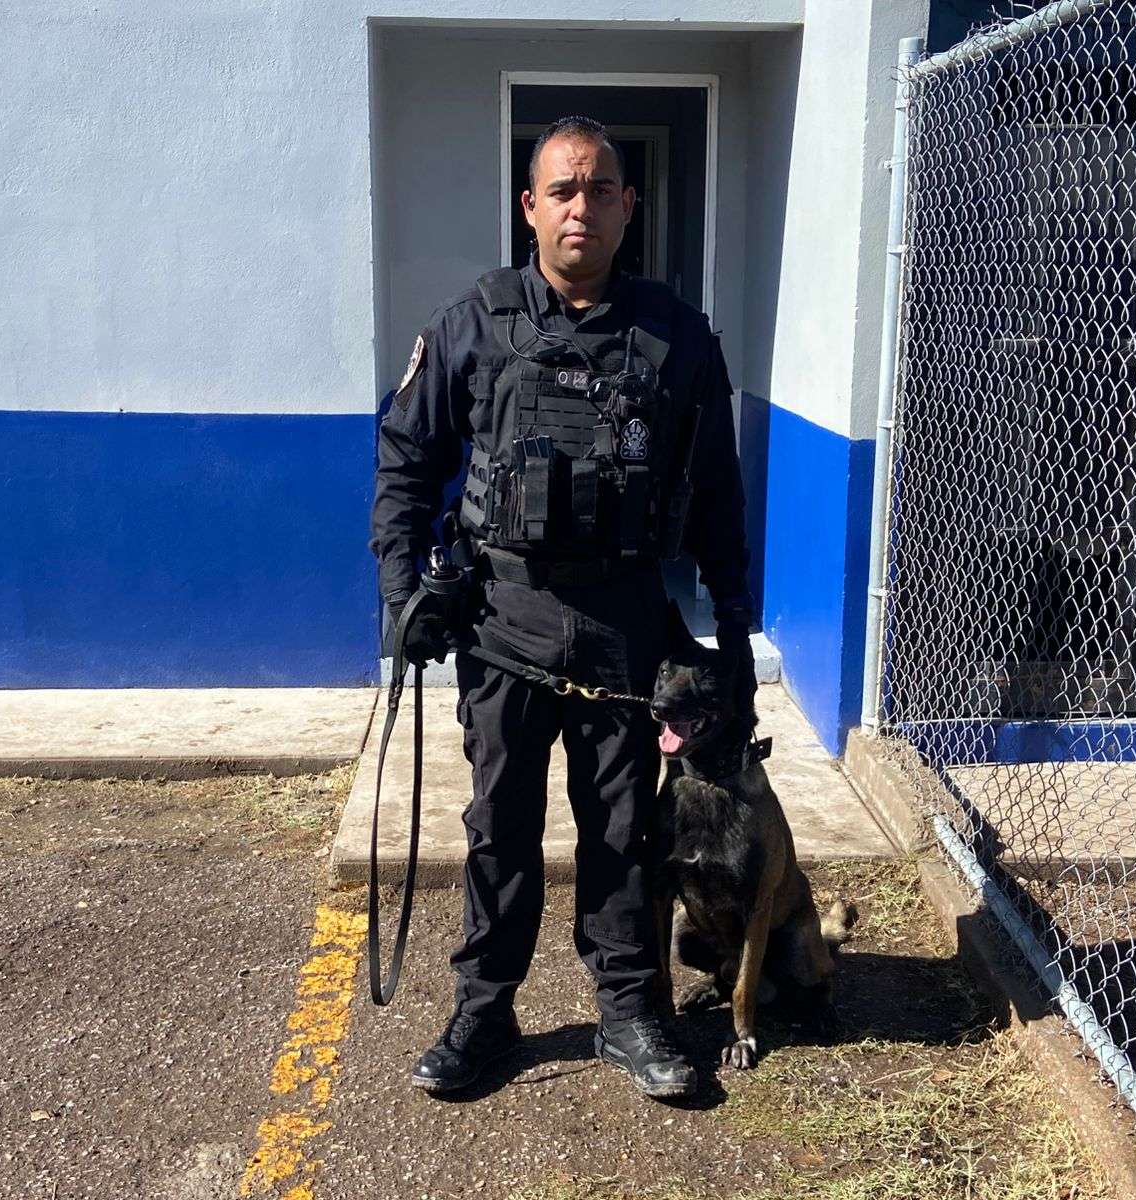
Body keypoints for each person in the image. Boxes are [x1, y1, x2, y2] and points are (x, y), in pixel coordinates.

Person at [369, 115, 755, 1099]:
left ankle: (629, 1012)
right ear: (530, 208)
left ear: (629, 206)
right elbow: (407, 461)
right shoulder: (473, 323)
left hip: (624, 632)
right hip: (503, 623)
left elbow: (718, 495)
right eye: (562, 191)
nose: (581, 207)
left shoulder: (678, 338)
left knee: (622, 832)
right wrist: (404, 594)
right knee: (499, 827)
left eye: (599, 189)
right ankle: (483, 1012)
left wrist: (734, 639)